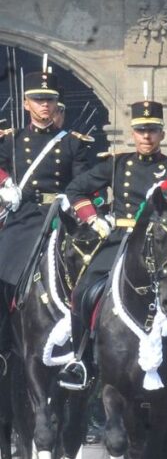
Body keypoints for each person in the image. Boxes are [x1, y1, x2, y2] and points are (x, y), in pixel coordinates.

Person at [57, 98, 167, 391]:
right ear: (133, 134)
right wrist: (93, 217)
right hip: (120, 239)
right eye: (141, 131)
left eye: (153, 131)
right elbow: (76, 188)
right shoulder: (117, 164)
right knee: (84, 290)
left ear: (162, 134)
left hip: (160, 244)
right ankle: (81, 360)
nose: (147, 137)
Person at [0, 67, 92, 364]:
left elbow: (82, 181)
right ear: (26, 104)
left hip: (61, 217)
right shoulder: (12, 140)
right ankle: (3, 345)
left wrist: (72, 201)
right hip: (24, 217)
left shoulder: (73, 142)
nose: (44, 105)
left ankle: (89, 347)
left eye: (49, 100)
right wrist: (6, 185)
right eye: (38, 100)